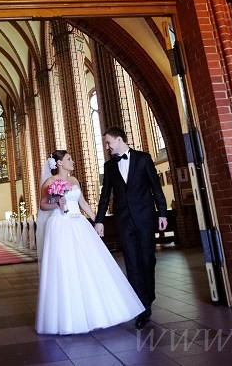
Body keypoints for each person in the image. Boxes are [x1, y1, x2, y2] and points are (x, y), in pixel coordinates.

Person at [35, 150, 145, 335]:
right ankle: (70, 317)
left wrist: (97, 220)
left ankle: (100, 311)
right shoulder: (49, 182)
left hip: (78, 223)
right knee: (66, 266)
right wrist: (58, 204)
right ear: (59, 163)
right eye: (69, 159)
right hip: (60, 225)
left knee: (90, 263)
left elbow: (83, 203)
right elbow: (43, 205)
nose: (72, 161)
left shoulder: (74, 181)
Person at [95, 127, 168, 329]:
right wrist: (99, 220)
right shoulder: (109, 166)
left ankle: (148, 297)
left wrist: (162, 212)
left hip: (145, 218)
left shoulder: (143, 159)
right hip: (124, 220)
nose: (107, 147)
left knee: (147, 260)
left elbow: (156, 187)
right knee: (132, 263)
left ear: (119, 140)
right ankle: (141, 307)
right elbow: (104, 195)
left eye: (109, 143)